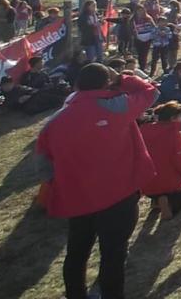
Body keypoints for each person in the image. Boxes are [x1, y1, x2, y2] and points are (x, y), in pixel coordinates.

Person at [35, 64, 158, 299]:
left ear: (76, 85)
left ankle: (75, 295)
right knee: (113, 254)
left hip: (78, 198)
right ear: (107, 84)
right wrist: (122, 77)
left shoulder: (54, 120)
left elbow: (43, 163)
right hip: (119, 194)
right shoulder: (117, 106)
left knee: (77, 252)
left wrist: (63, 184)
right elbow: (151, 91)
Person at [132, 5, 157, 70]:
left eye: (142, 10)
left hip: (147, 39)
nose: (140, 12)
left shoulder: (148, 18)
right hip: (138, 39)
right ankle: (141, 65)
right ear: (136, 11)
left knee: (144, 53)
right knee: (140, 54)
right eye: (139, 11)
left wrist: (152, 35)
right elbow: (130, 29)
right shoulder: (133, 19)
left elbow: (154, 27)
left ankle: (143, 67)